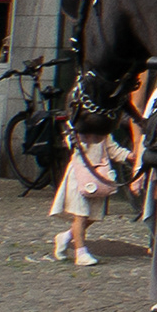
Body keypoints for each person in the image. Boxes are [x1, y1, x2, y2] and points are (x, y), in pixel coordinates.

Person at [48, 112, 126, 267]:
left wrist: (130, 156)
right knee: (81, 215)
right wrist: (79, 138)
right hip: (78, 178)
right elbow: (71, 144)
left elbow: (114, 150)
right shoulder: (77, 137)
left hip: (97, 179)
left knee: (92, 216)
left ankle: (65, 237)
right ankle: (81, 252)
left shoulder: (104, 137)